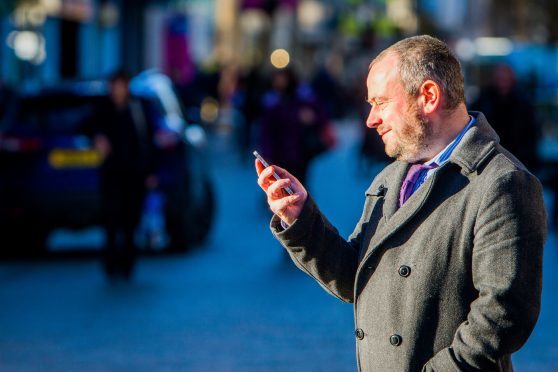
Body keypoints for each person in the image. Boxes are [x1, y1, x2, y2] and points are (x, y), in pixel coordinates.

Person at [255, 35, 546, 371]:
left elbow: (503, 315)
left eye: (380, 102)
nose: (370, 119)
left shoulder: (503, 182)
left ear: (428, 96)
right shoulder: (390, 178)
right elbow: (357, 278)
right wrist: (300, 218)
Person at [89, 70, 155, 280]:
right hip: (111, 175)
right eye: (114, 86)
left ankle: (127, 264)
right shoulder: (103, 109)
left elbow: (147, 140)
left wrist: (150, 171)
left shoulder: (137, 108)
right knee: (111, 220)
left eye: (121, 85)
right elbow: (86, 125)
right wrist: (97, 137)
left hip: (134, 175)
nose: (117, 90)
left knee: (130, 221)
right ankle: (110, 264)